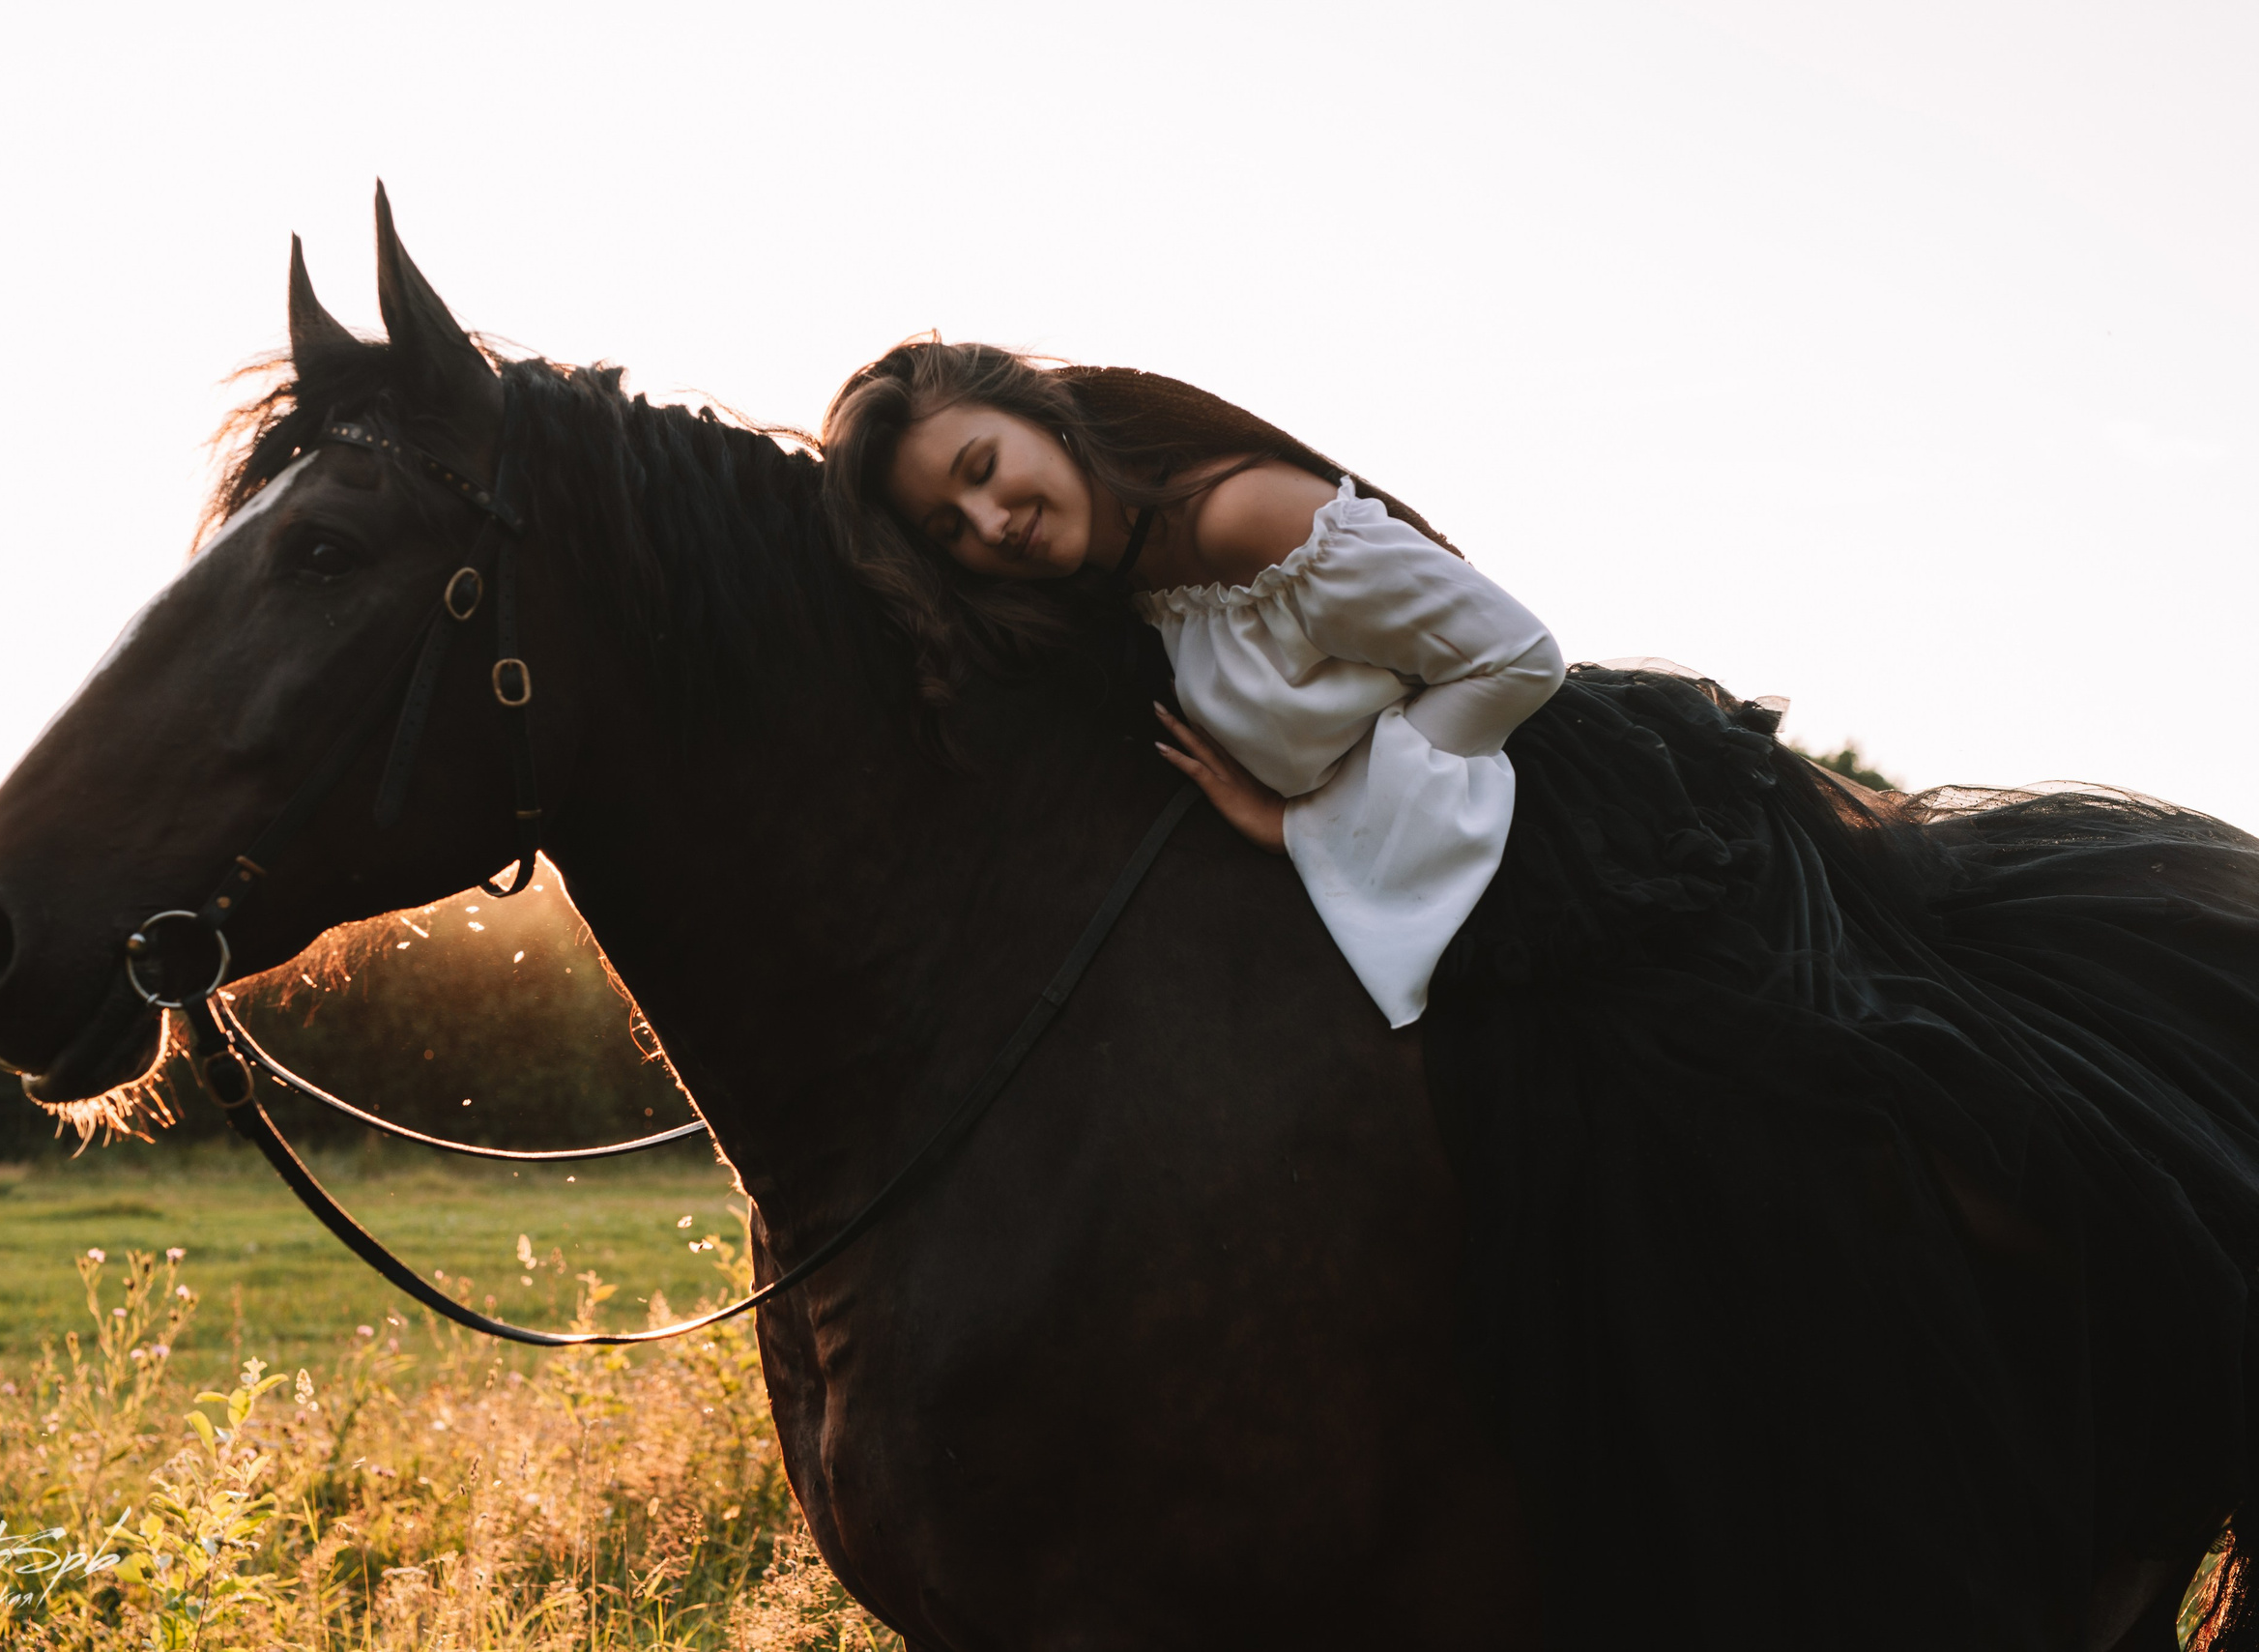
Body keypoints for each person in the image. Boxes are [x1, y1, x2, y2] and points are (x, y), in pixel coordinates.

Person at [821, 338, 2259, 1648]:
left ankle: (2085, 1316)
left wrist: (1307, 821)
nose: (993, 521)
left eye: (983, 469)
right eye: (952, 526)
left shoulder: (1246, 515)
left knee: (1758, 1113)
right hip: (1437, 858)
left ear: (1037, 414)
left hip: (1562, 831)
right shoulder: (1133, 580)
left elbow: (1514, 655)